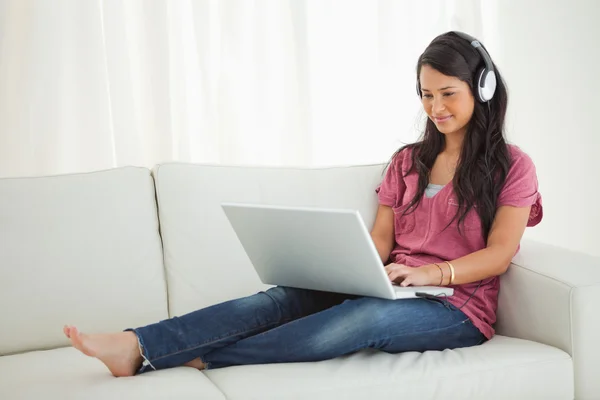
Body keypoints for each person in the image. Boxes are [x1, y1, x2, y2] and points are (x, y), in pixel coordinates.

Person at [63, 31, 542, 377]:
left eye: (448, 94)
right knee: (280, 298)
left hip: (457, 308)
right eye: (426, 94)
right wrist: (342, 269)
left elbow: (500, 252)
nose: (436, 107)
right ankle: (137, 344)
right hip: (393, 284)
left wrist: (430, 275)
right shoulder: (407, 162)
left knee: (362, 319)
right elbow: (382, 240)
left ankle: (202, 358)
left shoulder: (513, 166)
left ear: (482, 91)